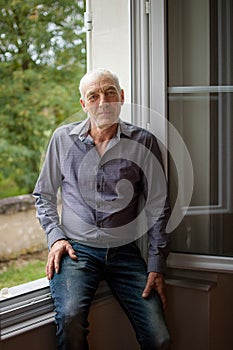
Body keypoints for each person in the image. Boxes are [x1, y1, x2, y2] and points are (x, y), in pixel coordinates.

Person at [33, 68, 171, 350]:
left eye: (109, 92)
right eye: (93, 96)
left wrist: (156, 265)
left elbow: (159, 206)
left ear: (121, 97)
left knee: (160, 338)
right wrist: (56, 237)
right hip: (77, 251)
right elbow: (43, 194)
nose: (103, 101)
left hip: (125, 253)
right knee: (70, 319)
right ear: (83, 104)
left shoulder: (143, 142)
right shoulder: (62, 139)